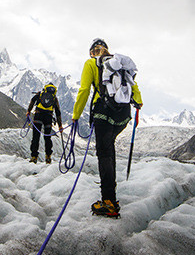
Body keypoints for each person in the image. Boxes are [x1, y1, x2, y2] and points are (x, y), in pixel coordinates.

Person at [72, 38, 142, 217]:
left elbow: (84, 90)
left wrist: (76, 115)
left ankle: (108, 201)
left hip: (103, 112)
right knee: (109, 149)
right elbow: (134, 88)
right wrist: (138, 103)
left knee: (104, 154)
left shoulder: (91, 63)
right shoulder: (118, 65)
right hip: (123, 114)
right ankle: (111, 194)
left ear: (91, 52)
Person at [26, 83, 63, 163]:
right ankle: (48, 157)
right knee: (47, 137)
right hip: (48, 117)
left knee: (36, 137)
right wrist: (60, 125)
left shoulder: (40, 94)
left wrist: (29, 111)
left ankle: (34, 156)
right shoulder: (54, 98)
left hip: (38, 115)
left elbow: (32, 101)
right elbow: (58, 112)